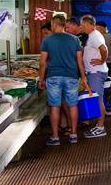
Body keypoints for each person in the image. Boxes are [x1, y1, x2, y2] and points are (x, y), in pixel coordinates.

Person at [37, 14, 86, 146]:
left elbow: (42, 62)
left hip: (53, 76)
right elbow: (80, 61)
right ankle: (74, 135)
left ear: (54, 24)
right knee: (73, 105)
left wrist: (41, 78)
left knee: (55, 106)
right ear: (64, 24)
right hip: (72, 76)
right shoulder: (75, 40)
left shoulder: (47, 40)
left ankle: (55, 137)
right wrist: (83, 77)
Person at [79, 15, 109, 139]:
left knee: (98, 100)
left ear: (90, 25)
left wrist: (102, 60)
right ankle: (98, 125)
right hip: (94, 72)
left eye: (84, 25)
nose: (82, 27)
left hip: (96, 73)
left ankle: (101, 127)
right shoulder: (92, 36)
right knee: (97, 99)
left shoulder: (95, 35)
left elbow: (104, 49)